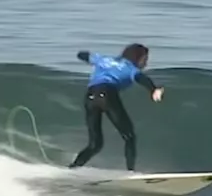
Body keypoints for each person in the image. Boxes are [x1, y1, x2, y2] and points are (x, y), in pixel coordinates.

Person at [68, 43, 164, 171]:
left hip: (90, 97)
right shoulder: (130, 68)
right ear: (138, 58)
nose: (146, 64)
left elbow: (82, 55)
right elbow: (142, 78)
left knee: (95, 144)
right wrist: (153, 90)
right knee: (129, 137)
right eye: (145, 60)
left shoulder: (104, 59)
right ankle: (130, 172)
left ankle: (73, 168)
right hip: (107, 95)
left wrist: (85, 56)